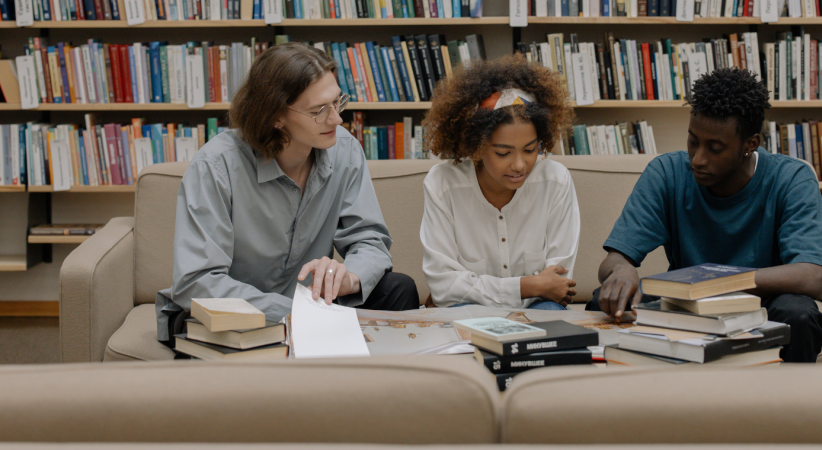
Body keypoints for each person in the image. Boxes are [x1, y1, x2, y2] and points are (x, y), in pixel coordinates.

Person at [156, 42, 419, 345]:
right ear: (275, 116)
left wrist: (350, 277)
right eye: (319, 111)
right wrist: (299, 313)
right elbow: (197, 282)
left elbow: (369, 240)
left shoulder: (344, 149)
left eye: (337, 102)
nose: (337, 119)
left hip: (309, 305)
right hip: (236, 313)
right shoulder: (216, 166)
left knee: (399, 288)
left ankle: (376, 386)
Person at [588, 68, 822, 363]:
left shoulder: (792, 178)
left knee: (799, 313)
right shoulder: (667, 173)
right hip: (687, 303)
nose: (698, 159)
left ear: (750, 145)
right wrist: (622, 269)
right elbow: (613, 261)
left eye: (715, 148)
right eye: (693, 142)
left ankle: (789, 408)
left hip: (762, 303)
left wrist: (716, 283)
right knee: (604, 298)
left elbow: (811, 277)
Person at [419, 55, 579, 310]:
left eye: (530, 150)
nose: (519, 165)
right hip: (469, 310)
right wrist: (527, 286)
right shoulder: (442, 185)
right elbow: (444, 287)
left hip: (539, 306)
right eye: (503, 153)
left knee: (551, 315)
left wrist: (533, 288)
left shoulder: (556, 181)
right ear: (477, 147)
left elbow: (557, 284)